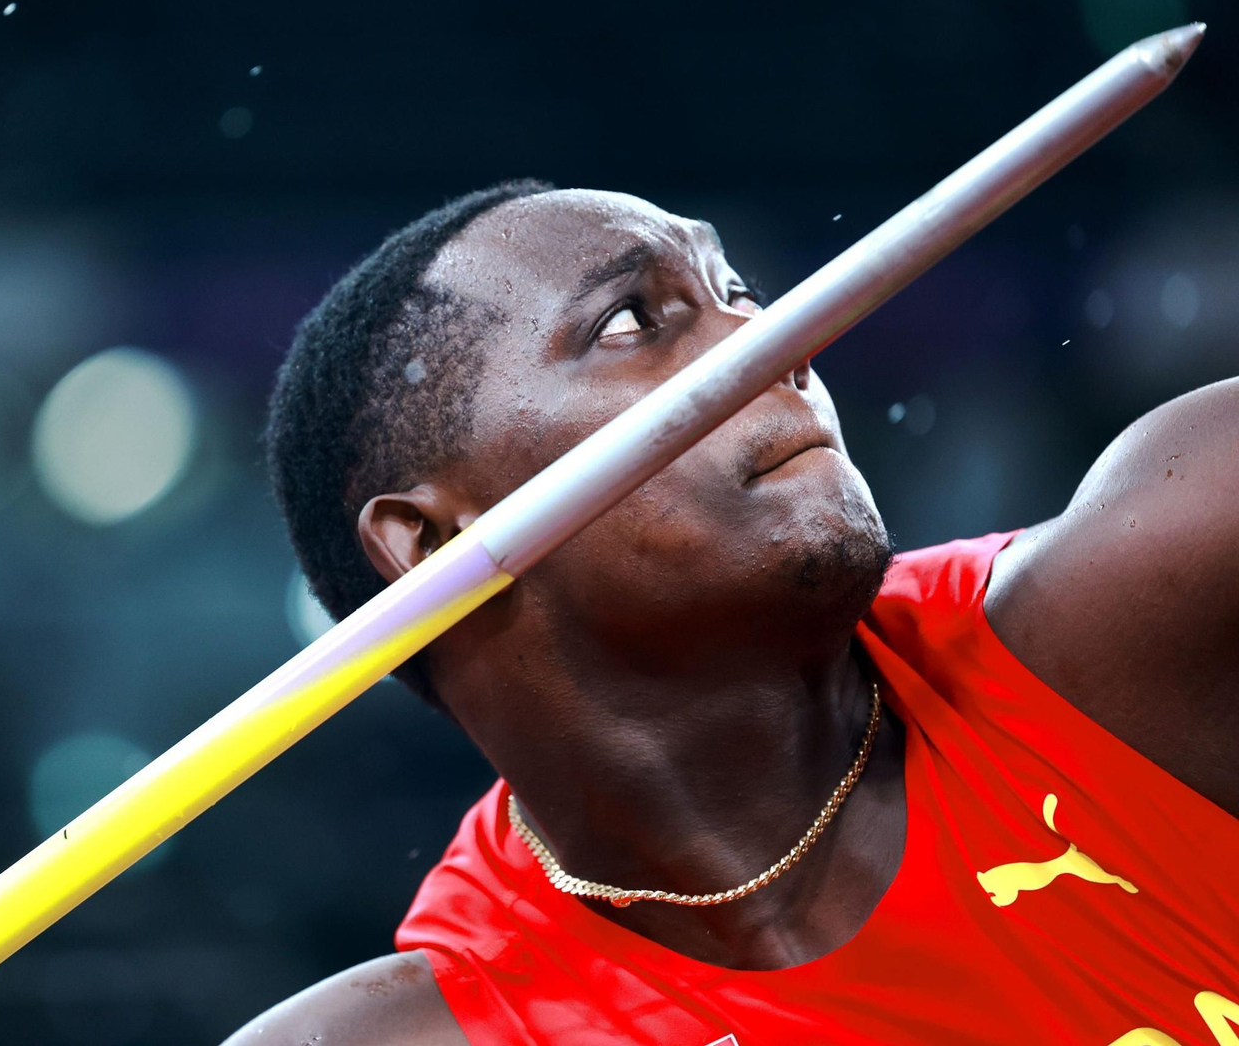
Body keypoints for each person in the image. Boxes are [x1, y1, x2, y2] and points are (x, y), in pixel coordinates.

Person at [228, 181, 1239, 1045]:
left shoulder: (1163, 574)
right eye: (629, 321)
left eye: (736, 291)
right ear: (433, 544)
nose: (773, 338)